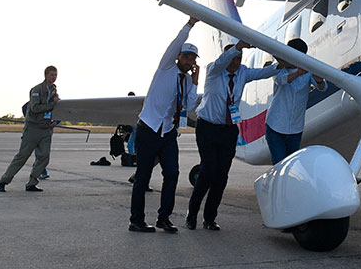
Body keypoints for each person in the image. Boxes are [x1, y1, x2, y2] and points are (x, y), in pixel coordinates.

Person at [185, 40, 280, 231]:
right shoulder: (214, 70)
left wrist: (282, 61)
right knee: (207, 171)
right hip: (207, 127)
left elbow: (265, 72)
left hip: (228, 130)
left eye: (239, 59)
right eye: (234, 58)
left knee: (221, 176)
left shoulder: (243, 73)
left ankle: (210, 218)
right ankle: (192, 214)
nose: (237, 62)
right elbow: (223, 60)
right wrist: (239, 45)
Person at [129, 20, 200, 233]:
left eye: (193, 59)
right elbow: (176, 42)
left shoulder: (186, 81)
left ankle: (164, 218)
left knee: (172, 174)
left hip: (168, 131)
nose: (189, 61)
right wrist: (190, 24)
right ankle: (136, 220)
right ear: (179, 56)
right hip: (149, 128)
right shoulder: (166, 67)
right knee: (143, 176)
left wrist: (195, 82)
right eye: (186, 56)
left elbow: (188, 105)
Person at [0, 65, 59, 193]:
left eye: (56, 75)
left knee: (44, 157)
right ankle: (4, 180)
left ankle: (32, 182)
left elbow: (56, 108)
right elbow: (35, 108)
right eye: (52, 75)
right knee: (22, 156)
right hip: (33, 128)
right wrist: (51, 105)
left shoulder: (53, 90)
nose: (54, 77)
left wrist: (55, 121)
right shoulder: (36, 90)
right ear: (46, 75)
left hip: (45, 129)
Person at [265, 38, 326, 164]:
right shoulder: (278, 68)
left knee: (292, 165)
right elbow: (281, 80)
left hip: (295, 128)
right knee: (280, 164)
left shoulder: (308, 71)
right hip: (275, 126)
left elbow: (323, 88)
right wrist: (298, 73)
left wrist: (319, 80)